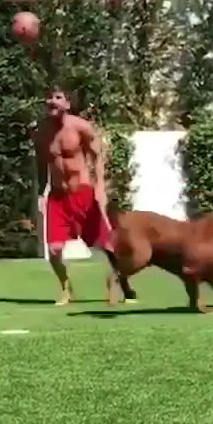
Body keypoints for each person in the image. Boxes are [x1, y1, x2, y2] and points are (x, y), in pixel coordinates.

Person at [32, 87, 136, 305]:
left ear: (68, 104)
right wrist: (42, 192)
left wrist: (100, 187)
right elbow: (42, 163)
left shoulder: (81, 127)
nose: (52, 101)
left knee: (107, 245)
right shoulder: (40, 132)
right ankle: (66, 289)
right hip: (58, 197)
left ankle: (123, 282)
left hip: (83, 193)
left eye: (58, 97)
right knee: (54, 249)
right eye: (49, 97)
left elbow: (97, 157)